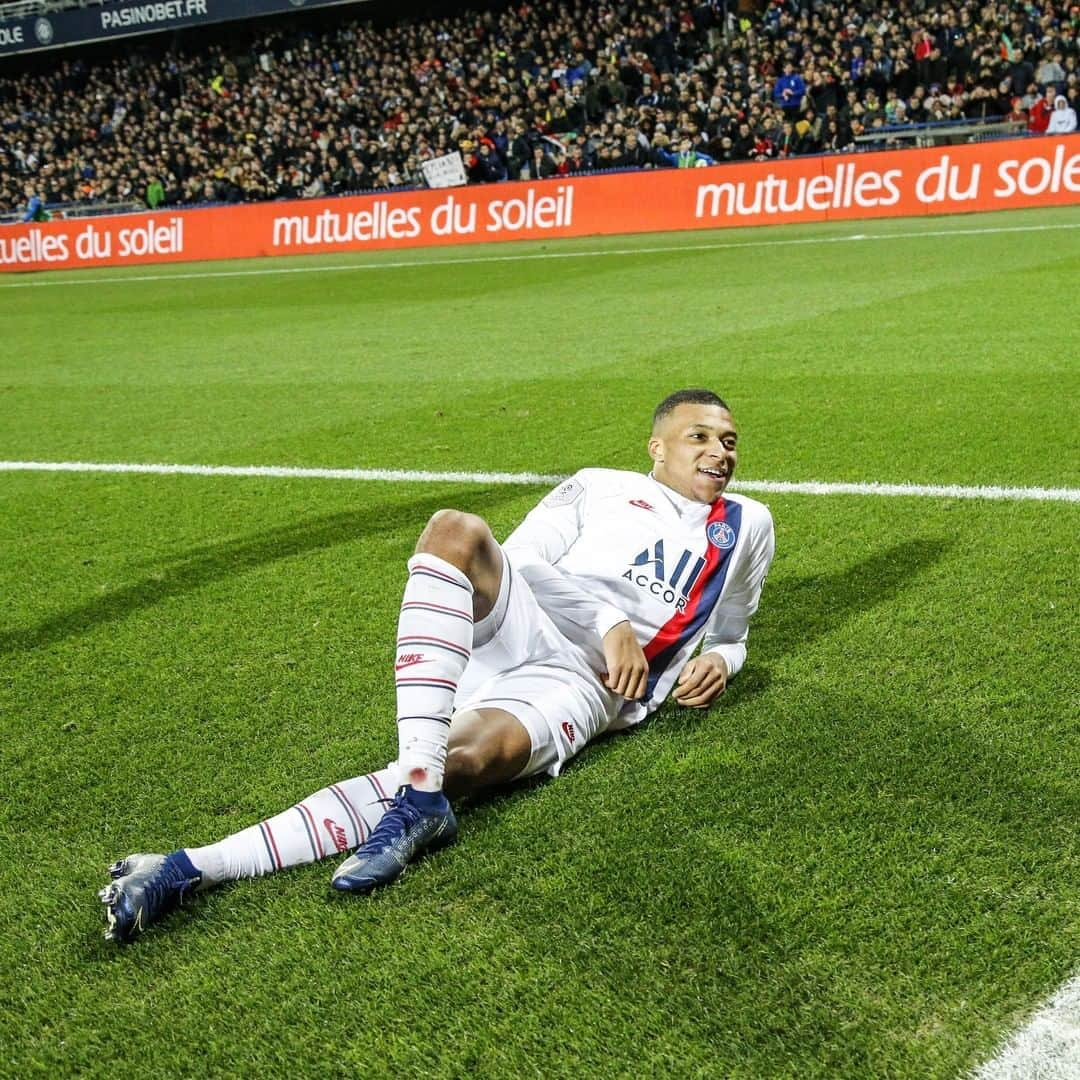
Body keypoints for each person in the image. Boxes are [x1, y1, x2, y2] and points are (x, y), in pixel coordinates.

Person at [100, 390, 775, 943]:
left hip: (588, 682)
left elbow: (736, 632)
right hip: (528, 623)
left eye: (729, 441)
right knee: (454, 530)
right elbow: (522, 559)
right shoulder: (597, 487)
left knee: (468, 761)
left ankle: (190, 867)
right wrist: (610, 619)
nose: (720, 452)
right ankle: (421, 800)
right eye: (701, 437)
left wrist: (720, 657)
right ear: (657, 446)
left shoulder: (747, 525)